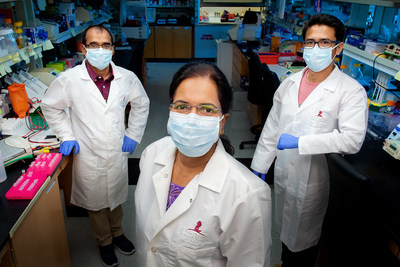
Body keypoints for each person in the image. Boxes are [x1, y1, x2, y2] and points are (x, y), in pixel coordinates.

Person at [251, 14, 368, 267]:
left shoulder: (351, 91)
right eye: (310, 42)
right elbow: (272, 127)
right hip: (284, 173)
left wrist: (301, 143)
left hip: (314, 178)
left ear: (339, 47)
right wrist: (259, 165)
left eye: (325, 42)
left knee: (304, 243)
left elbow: (352, 140)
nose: (316, 48)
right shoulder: (289, 83)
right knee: (284, 230)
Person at [135, 62, 272, 267]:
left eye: (206, 109)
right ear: (170, 111)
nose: (191, 119)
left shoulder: (247, 195)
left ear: (222, 122)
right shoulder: (151, 154)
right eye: (182, 106)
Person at [41, 25, 150, 267]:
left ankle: (118, 233)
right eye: (93, 45)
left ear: (113, 48)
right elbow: (50, 106)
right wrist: (66, 135)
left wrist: (133, 134)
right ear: (83, 49)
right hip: (88, 151)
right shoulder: (69, 80)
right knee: (96, 203)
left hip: (116, 150)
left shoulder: (126, 78)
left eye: (105, 45)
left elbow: (142, 104)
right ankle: (104, 241)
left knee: (116, 197)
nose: (99, 50)